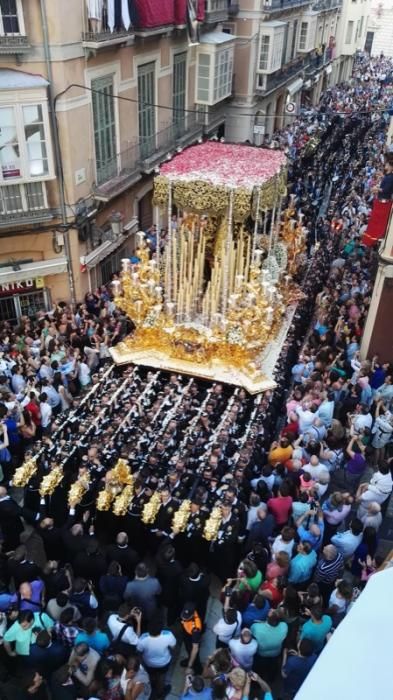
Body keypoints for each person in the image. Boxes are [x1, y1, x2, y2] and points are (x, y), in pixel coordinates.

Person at [137, 618, 176, 699]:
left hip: (149, 663)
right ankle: (160, 693)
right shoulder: (168, 635)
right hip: (164, 663)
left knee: (151, 675)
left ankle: (152, 687)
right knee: (162, 677)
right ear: (161, 629)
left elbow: (139, 651)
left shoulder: (143, 638)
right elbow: (173, 647)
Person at [251, 610, 288, 680]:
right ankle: (271, 679)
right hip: (276, 654)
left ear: (267, 618)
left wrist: (262, 624)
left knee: (260, 670)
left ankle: (258, 682)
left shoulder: (256, 627)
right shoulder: (284, 626)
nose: (271, 609)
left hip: (261, 654)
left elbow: (252, 631)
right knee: (273, 668)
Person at [180, 602, 203, 675]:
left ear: (192, 615)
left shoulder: (196, 628)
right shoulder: (187, 611)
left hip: (192, 639)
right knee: (188, 650)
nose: (183, 618)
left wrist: (189, 666)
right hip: (187, 636)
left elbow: (195, 649)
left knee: (194, 656)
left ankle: (198, 669)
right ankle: (189, 658)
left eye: (186, 617)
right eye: (184, 615)